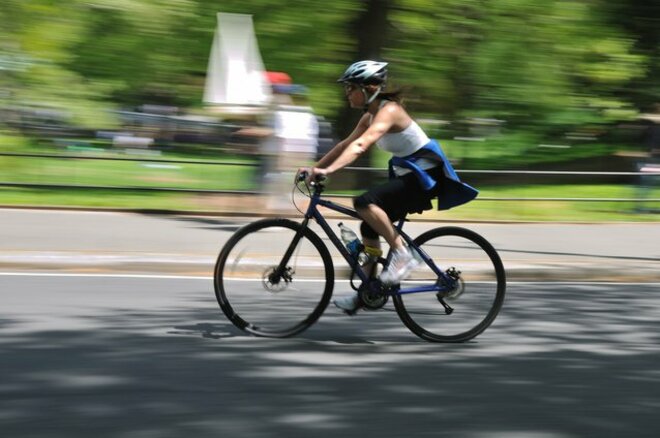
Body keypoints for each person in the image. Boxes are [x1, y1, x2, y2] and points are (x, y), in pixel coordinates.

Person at [302, 60, 478, 313]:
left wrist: (328, 171)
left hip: (424, 179)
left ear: (369, 88)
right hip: (409, 177)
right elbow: (345, 145)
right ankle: (368, 291)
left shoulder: (390, 111)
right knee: (368, 225)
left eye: (350, 87)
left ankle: (402, 254)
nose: (347, 93)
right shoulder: (370, 116)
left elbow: (363, 145)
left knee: (364, 202)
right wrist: (314, 167)